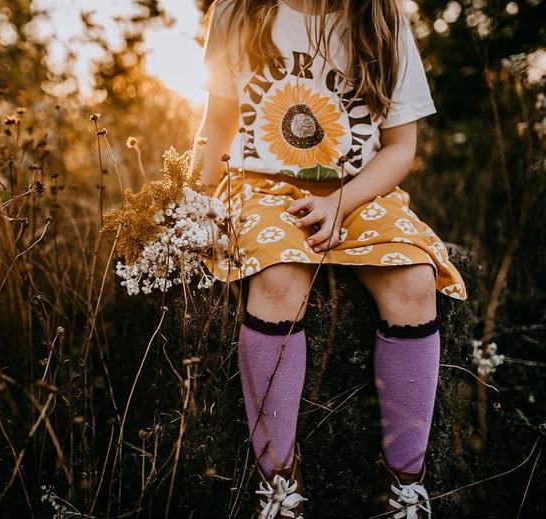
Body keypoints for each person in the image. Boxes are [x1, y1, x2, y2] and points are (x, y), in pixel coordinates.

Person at [190, 0, 468, 517]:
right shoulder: (239, 12)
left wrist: (343, 201)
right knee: (278, 279)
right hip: (261, 188)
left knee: (414, 283)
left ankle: (406, 483)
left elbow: (400, 146)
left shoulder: (381, 19)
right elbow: (218, 122)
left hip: (360, 191)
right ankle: (279, 483)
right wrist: (190, 206)